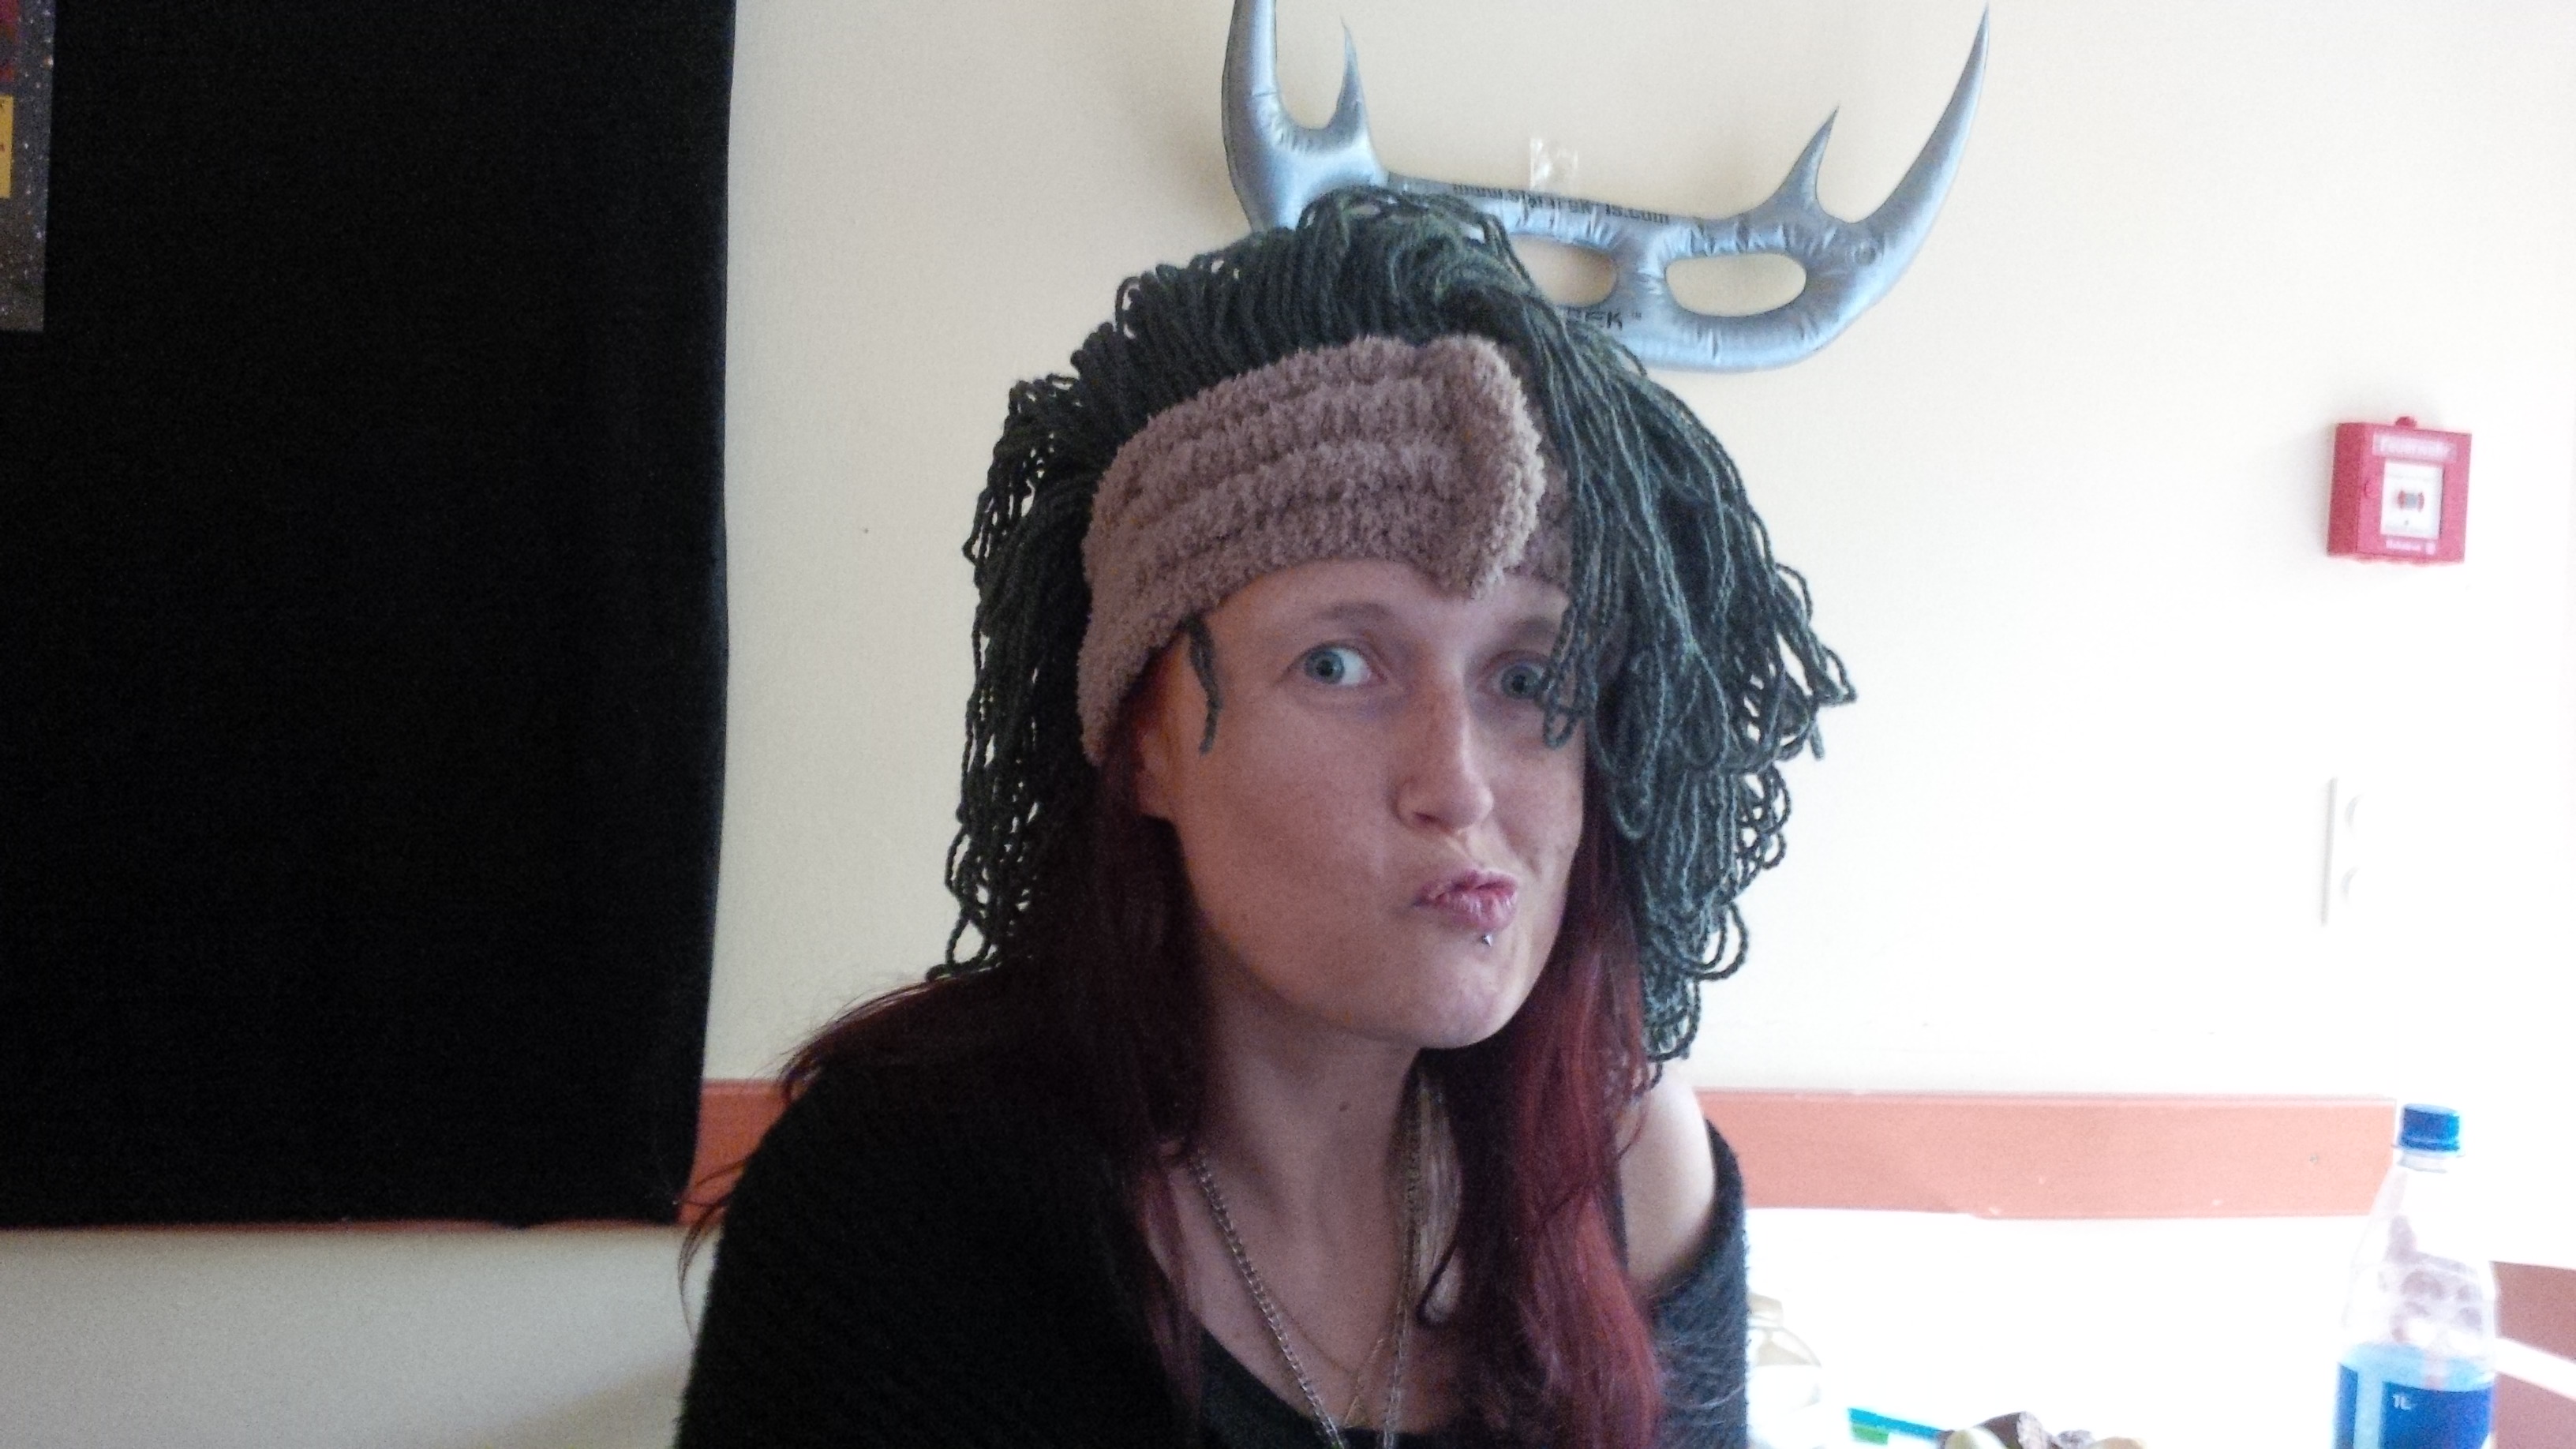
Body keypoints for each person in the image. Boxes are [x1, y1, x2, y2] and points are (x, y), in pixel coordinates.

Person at [675, 188, 1851, 1449]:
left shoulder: (1621, 1168)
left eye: (1526, 679)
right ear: (1141, 743)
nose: (1459, 784)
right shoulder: (895, 1212)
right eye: (1339, 665)